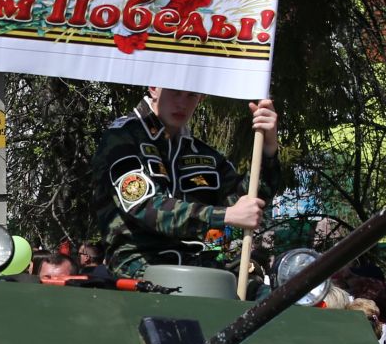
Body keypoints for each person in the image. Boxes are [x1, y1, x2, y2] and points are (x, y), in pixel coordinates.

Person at [91, 86, 280, 278]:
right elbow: (144, 206)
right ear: (153, 88)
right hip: (140, 266)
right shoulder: (122, 138)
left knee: (264, 296)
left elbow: (246, 201)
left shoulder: (203, 154)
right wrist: (225, 215)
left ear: (202, 97)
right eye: (175, 92)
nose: (182, 103)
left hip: (200, 264)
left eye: (191, 95)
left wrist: (268, 148)